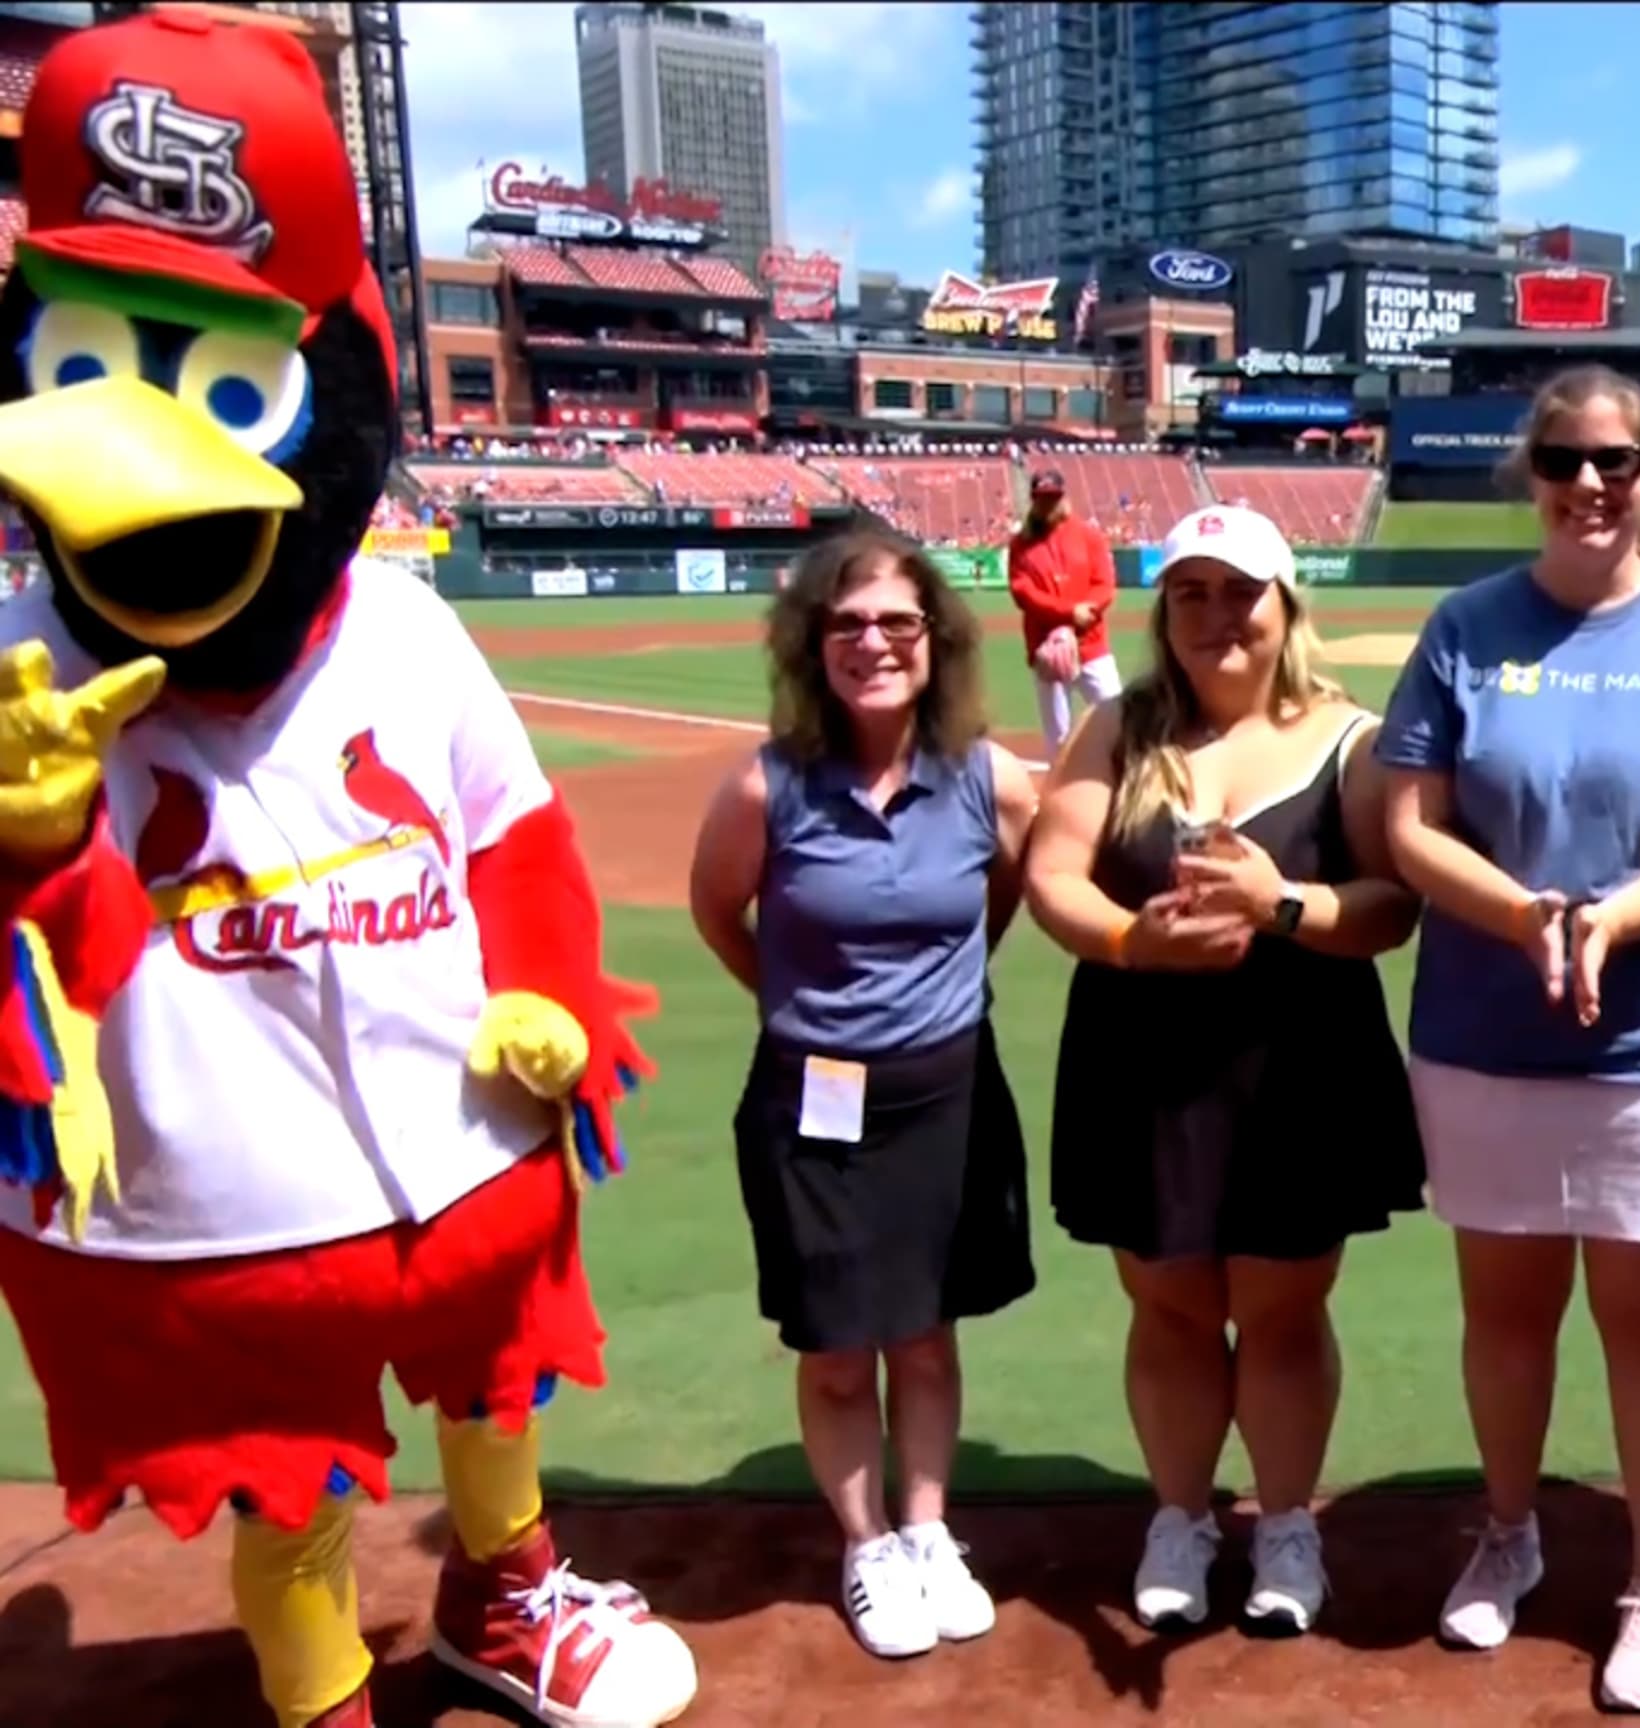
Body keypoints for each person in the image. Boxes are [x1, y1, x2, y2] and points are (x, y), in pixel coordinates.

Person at [0, 19, 695, 1728]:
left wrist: (540, 982)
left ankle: (504, 1593)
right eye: (97, 365)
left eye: (230, 383)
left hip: (454, 1144)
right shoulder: (18, 669)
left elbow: (512, 830)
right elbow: (51, 989)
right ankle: (320, 1703)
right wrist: (38, 837)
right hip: (208, 1207)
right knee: (287, 1489)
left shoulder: (400, 620)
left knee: (491, 1378)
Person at [1378, 364, 1640, 1711]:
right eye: (1564, 459)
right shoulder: (1464, 625)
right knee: (1505, 1310)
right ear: (1533, 474)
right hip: (1485, 1025)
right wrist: (1525, 918)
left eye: (1616, 460)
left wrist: (1614, 920)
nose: (1588, 484)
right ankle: (1509, 1530)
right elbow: (1407, 825)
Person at [1023, 503, 1426, 1638]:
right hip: (1142, 1057)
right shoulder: (1118, 727)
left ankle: (1287, 1524)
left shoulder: (1349, 736)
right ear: (1165, 613)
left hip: (1297, 1069)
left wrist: (1282, 906)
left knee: (1285, 1307)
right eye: (1190, 594)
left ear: (1285, 603)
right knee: (1169, 1303)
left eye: (1240, 592)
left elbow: (1393, 906)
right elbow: (1056, 872)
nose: (1216, 616)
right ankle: (1182, 1515)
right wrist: (1131, 942)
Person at [687, 530, 1042, 1660]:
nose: (873, 643)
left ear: (936, 639)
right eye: (847, 625)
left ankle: (929, 1532)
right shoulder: (767, 784)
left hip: (948, 1094)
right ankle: (867, 1545)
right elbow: (718, 912)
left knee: (928, 1337)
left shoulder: (991, 778)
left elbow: (1009, 893)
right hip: (818, 1099)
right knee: (839, 1344)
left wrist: (940, 995)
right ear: (812, 646)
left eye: (896, 622)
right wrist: (795, 1005)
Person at [1008, 467, 1123, 757]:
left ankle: (1125, 779)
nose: (1048, 504)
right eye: (1042, 498)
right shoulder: (1022, 543)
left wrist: (1088, 611)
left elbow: (1105, 584)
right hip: (1048, 650)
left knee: (1120, 718)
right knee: (1058, 734)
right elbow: (1023, 592)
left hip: (1091, 646)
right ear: (1033, 500)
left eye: (1053, 497)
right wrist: (1070, 613)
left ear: (1064, 498)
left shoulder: (1088, 536)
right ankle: (1060, 794)